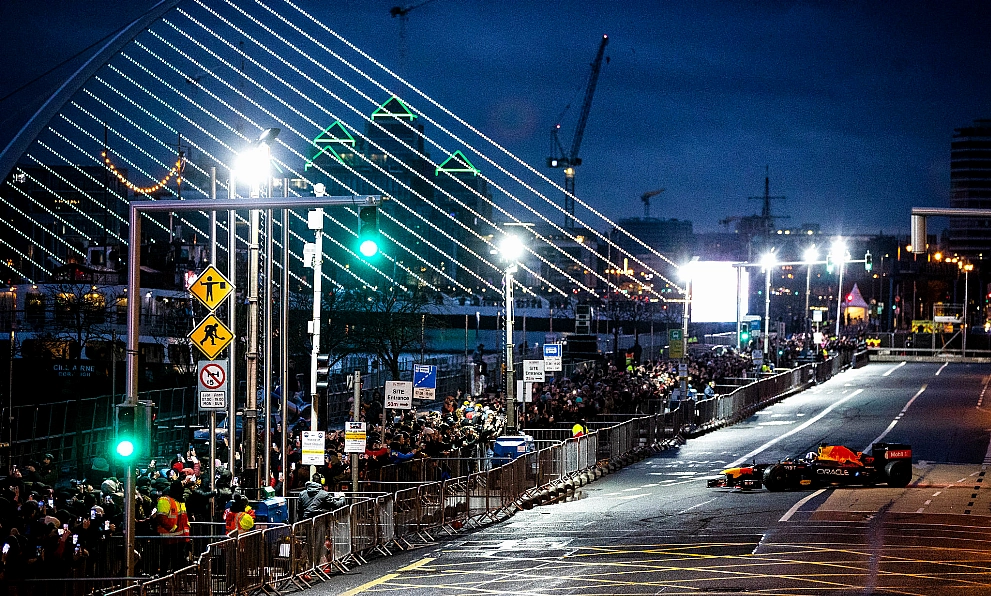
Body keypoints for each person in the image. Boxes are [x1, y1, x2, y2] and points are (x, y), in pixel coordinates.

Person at [155, 480, 191, 573]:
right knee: (166, 561)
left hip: (180, 538)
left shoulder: (180, 501)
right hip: (168, 537)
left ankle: (177, 583)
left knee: (178, 562)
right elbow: (162, 518)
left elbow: (184, 518)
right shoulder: (165, 500)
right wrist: (173, 529)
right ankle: (163, 583)